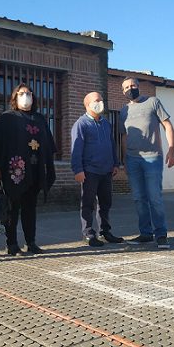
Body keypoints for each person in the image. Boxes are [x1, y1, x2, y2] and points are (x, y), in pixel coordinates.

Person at [0, 83, 56, 256]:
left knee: (30, 208)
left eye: (29, 93)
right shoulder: (7, 118)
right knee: (13, 208)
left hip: (35, 170)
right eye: (21, 93)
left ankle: (31, 242)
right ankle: (12, 244)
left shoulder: (39, 119)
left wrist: (48, 166)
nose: (26, 96)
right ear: (15, 98)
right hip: (15, 171)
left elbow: (48, 145)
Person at [119, 77, 174, 248]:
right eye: (127, 87)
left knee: (154, 197)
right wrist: (124, 159)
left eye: (133, 85)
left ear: (139, 86)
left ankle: (161, 234)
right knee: (138, 198)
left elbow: (168, 125)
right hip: (133, 159)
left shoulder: (153, 102)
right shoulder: (124, 110)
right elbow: (123, 136)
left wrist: (172, 149)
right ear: (123, 92)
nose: (131, 88)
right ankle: (145, 233)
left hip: (152, 158)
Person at [71, 92, 124, 247]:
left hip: (106, 171)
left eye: (101, 100)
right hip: (89, 171)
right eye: (96, 100)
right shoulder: (81, 124)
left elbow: (112, 144)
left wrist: (115, 163)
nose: (100, 102)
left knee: (105, 203)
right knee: (87, 203)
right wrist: (78, 170)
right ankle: (88, 233)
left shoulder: (106, 124)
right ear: (87, 104)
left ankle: (105, 231)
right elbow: (76, 149)